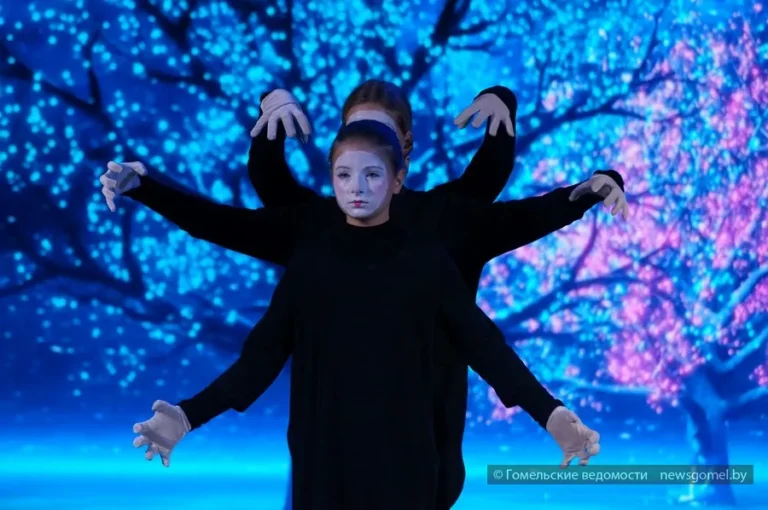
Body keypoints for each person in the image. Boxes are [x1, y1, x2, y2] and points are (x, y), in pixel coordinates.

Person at [101, 82, 627, 509]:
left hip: (418, 443)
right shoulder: (313, 241)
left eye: (375, 161)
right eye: (347, 163)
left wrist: (551, 414)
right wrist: (186, 416)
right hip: (325, 452)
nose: (358, 182)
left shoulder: (438, 237)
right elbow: (254, 343)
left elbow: (488, 340)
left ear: (401, 164)